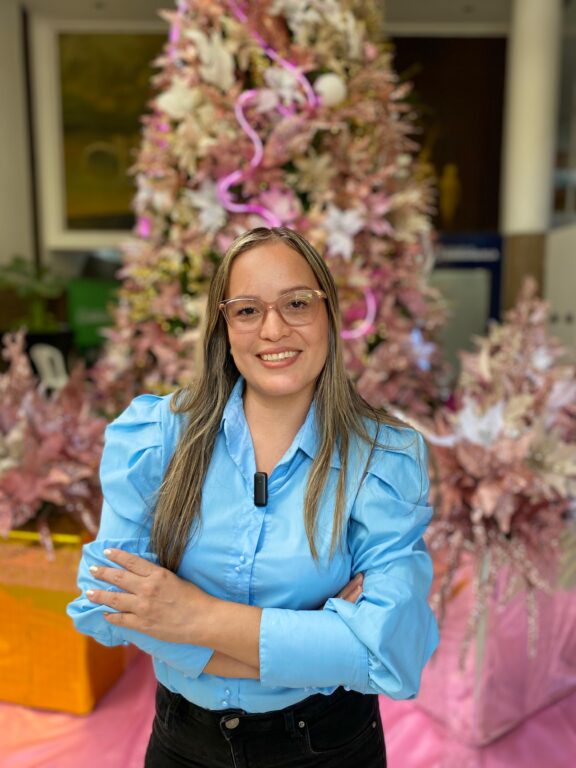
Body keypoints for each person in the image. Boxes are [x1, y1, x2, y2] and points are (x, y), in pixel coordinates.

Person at [67, 226, 438, 768]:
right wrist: (326, 641)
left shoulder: (384, 456)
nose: (273, 328)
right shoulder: (157, 435)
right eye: (246, 310)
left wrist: (190, 616)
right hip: (182, 744)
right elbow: (105, 606)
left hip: (327, 746)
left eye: (296, 303)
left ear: (329, 314)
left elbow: (393, 652)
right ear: (224, 326)